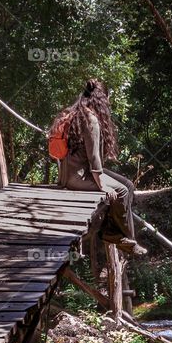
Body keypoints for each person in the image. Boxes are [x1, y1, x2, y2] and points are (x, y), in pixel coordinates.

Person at [50, 79, 145, 255]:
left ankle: (111, 229)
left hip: (71, 173)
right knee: (122, 191)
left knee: (128, 185)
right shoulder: (90, 119)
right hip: (78, 177)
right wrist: (103, 186)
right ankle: (123, 238)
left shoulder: (75, 113)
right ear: (101, 100)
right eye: (107, 100)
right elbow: (94, 159)